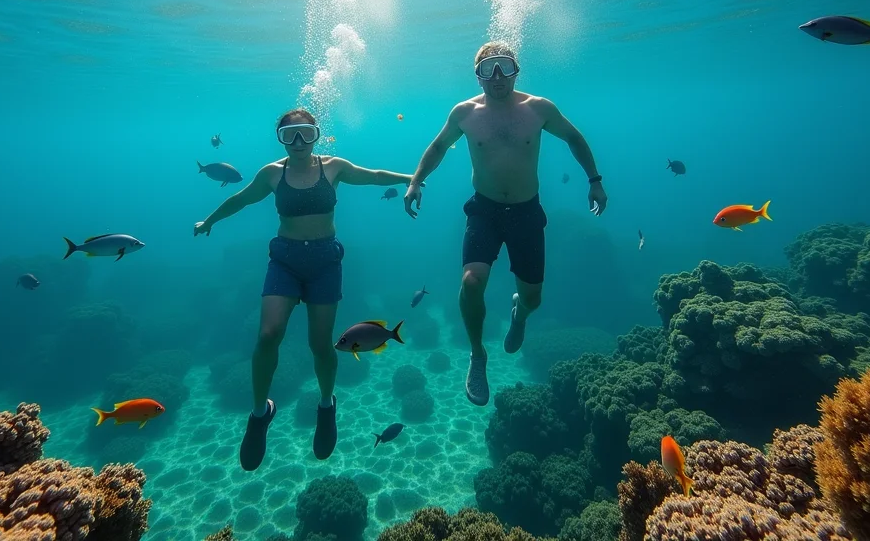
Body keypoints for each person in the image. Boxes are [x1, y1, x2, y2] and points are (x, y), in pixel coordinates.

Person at [193, 108, 415, 471]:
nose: (298, 142)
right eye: (290, 135)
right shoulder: (271, 173)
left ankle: (326, 406)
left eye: (306, 134)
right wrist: (209, 222)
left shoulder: (334, 167)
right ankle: (259, 413)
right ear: (280, 138)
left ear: (316, 135)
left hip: (325, 262)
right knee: (268, 335)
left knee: (320, 345)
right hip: (285, 260)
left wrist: (411, 177)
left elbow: (373, 176)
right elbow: (241, 199)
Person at [403, 41, 607, 406]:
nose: (497, 77)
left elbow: (574, 137)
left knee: (533, 298)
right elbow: (437, 147)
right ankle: (477, 354)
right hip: (484, 211)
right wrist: (417, 181)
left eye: (504, 67)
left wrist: (594, 180)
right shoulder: (464, 113)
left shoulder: (539, 108)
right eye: (487, 69)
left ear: (516, 70)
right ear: (477, 75)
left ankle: (520, 315)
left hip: (526, 213)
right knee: (471, 281)